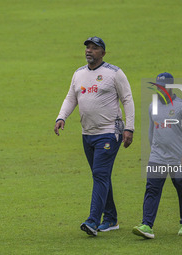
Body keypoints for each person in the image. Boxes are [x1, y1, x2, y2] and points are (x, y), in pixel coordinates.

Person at [54, 36, 135, 236]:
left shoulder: (114, 73)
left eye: (94, 48)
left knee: (99, 174)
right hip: (87, 133)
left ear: (103, 53)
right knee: (101, 175)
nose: (89, 51)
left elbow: (127, 99)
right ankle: (111, 219)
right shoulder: (79, 74)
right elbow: (71, 97)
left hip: (109, 132)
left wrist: (129, 128)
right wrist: (61, 117)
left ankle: (92, 221)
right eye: (87, 48)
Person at [132, 72, 182, 239]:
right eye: (157, 86)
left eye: (162, 86)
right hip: (157, 157)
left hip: (178, 158)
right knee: (152, 189)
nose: (159, 89)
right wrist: (154, 151)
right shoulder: (152, 106)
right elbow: (151, 132)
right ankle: (147, 225)